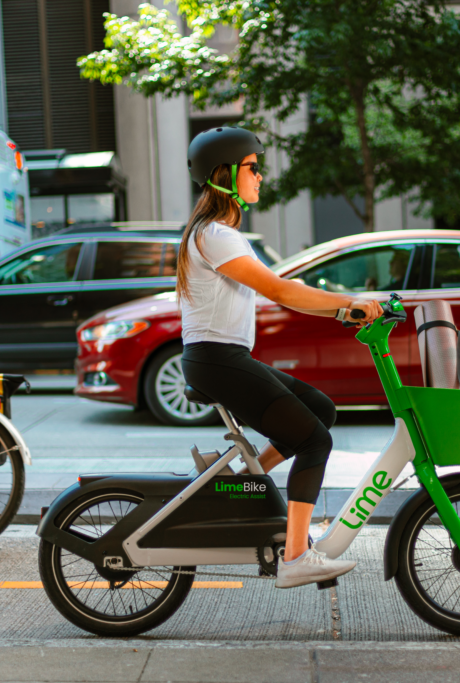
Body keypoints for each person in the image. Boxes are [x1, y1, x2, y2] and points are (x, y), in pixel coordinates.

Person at [179, 127, 384, 589]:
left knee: (320, 410)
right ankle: (295, 557)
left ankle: (238, 484)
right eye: (252, 167)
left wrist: (341, 310)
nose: (260, 176)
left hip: (220, 357)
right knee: (314, 441)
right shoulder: (216, 235)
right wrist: (346, 302)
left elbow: (285, 291)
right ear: (225, 174)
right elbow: (280, 291)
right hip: (217, 360)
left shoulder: (218, 233)